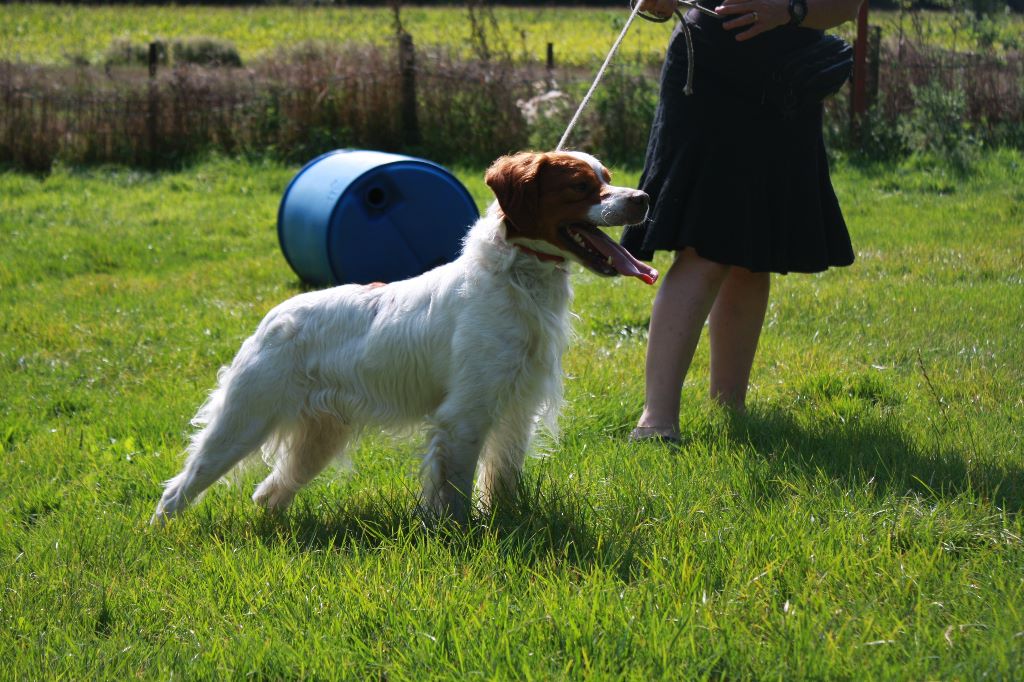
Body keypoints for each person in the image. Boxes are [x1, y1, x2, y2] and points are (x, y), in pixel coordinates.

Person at [622, 0, 862, 442]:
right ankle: (657, 421)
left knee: (753, 255)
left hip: (787, 80)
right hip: (706, 71)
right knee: (705, 247)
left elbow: (849, 5)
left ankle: (730, 408)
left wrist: (789, 10)